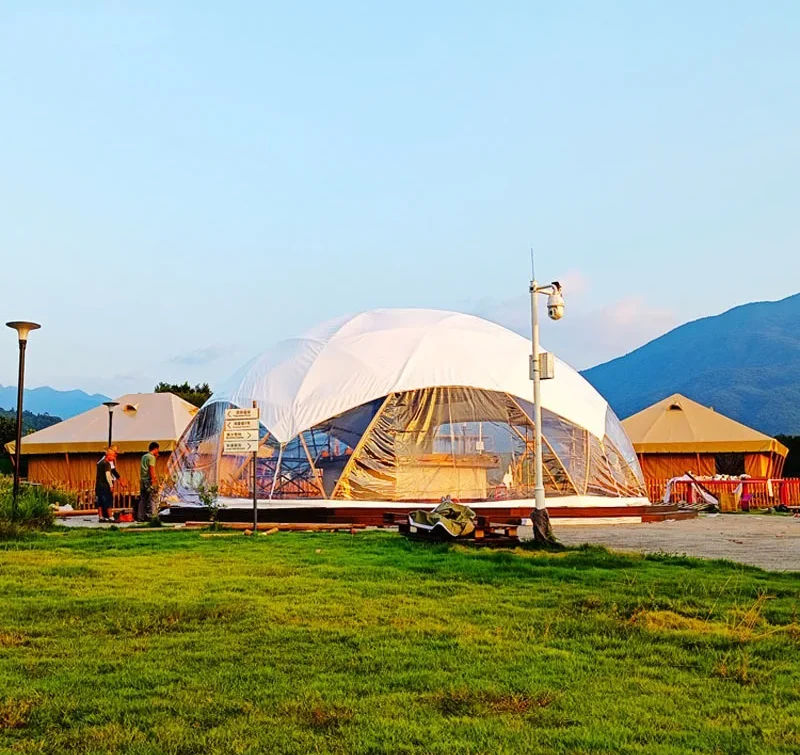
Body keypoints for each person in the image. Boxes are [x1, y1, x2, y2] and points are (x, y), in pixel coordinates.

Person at [138, 442, 160, 522]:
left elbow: (145, 467)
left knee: (143, 499)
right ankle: (154, 517)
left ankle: (140, 517)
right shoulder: (151, 457)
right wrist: (154, 481)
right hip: (149, 480)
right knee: (153, 498)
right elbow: (151, 469)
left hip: (143, 480)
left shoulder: (144, 456)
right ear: (156, 448)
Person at [95, 447, 118, 522]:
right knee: (108, 501)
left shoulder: (100, 463)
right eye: (113, 456)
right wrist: (111, 485)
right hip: (105, 485)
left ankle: (101, 517)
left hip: (98, 485)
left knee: (100, 501)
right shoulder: (107, 463)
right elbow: (108, 475)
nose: (114, 458)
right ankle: (111, 517)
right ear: (109, 455)